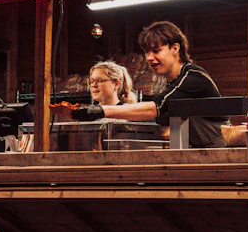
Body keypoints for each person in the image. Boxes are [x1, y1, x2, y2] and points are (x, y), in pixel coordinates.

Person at [59, 21, 227, 148]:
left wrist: (97, 111)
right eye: (147, 52)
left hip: (217, 152)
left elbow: (153, 108)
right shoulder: (171, 84)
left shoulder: (192, 77)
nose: (148, 57)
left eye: (156, 50)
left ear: (175, 48)